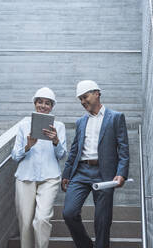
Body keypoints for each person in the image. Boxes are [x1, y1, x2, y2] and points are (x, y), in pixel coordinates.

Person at [61, 80, 129, 248]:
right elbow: (74, 150)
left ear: (97, 93)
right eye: (80, 99)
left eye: (85, 97)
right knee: (69, 213)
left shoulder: (116, 117)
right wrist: (67, 174)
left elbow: (123, 149)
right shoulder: (80, 122)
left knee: (102, 221)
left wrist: (121, 173)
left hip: (104, 173)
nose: (83, 102)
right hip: (81, 172)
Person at [11, 87, 67, 248]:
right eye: (40, 102)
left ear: (52, 106)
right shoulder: (23, 125)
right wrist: (27, 146)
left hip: (50, 178)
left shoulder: (59, 126)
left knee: (42, 219)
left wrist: (56, 141)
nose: (43, 106)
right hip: (25, 177)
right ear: (35, 103)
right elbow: (15, 156)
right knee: (26, 222)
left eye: (47, 103)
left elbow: (62, 155)